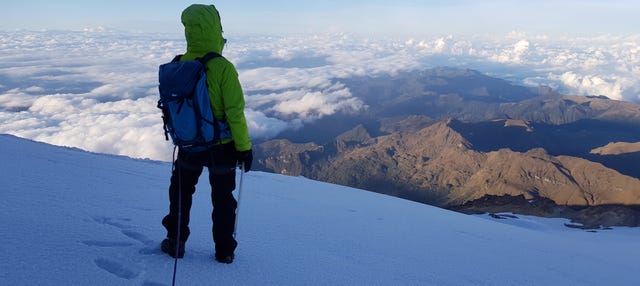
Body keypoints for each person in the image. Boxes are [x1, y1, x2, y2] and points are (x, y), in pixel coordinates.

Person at [160, 4, 253, 264]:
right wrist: (244, 148)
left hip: (188, 145)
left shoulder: (177, 65)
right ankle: (224, 251)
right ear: (215, 29)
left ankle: (175, 241)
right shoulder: (222, 67)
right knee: (223, 200)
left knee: (180, 193)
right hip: (220, 147)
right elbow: (235, 113)